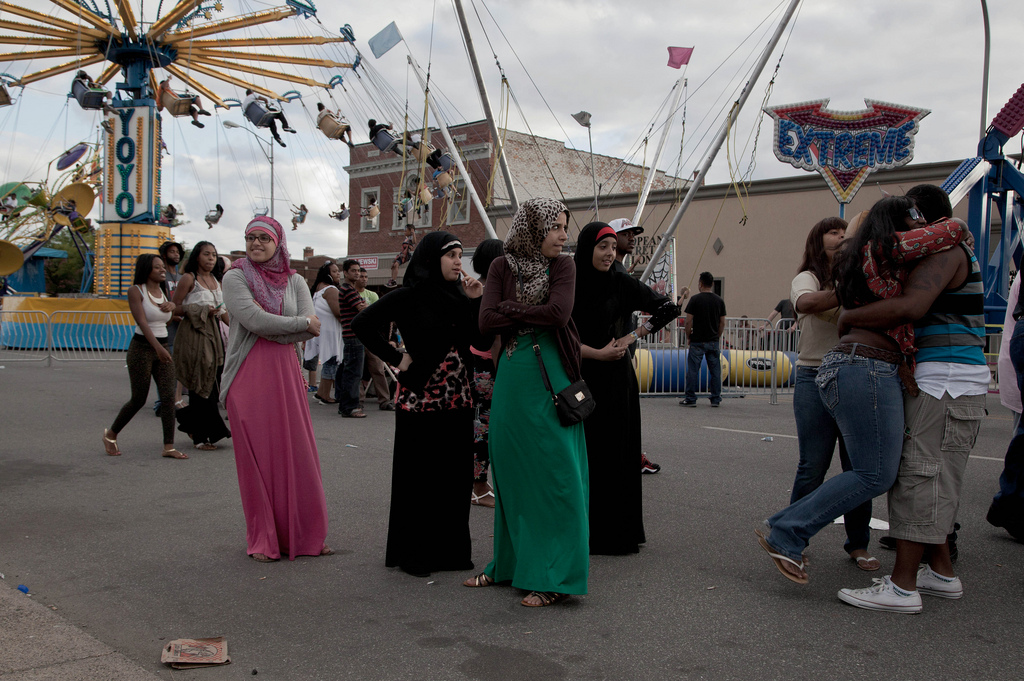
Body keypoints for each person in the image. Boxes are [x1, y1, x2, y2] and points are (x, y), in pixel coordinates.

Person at [757, 195, 967, 585]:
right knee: (869, 473)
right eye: (913, 219)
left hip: (863, 366)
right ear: (897, 225)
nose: (920, 227)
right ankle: (787, 532)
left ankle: (790, 527)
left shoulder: (867, 255)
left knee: (868, 470)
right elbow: (952, 230)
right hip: (863, 366)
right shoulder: (886, 249)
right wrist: (954, 227)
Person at [835, 185, 986, 613]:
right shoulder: (953, 245)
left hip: (945, 380)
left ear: (922, 217)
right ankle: (941, 573)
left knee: (918, 477)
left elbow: (914, 306)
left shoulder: (945, 249)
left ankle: (902, 587)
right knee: (932, 477)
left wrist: (850, 318)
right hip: (952, 380)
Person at [464, 197, 588, 608]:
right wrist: (521, 312)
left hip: (550, 374)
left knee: (555, 474)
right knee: (513, 471)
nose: (563, 234)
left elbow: (557, 314)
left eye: (564, 226)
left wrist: (509, 310)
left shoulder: (564, 266)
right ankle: (510, 565)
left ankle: (555, 576)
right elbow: (485, 323)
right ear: (532, 229)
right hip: (514, 376)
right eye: (554, 226)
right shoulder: (501, 265)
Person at [353, 231, 484, 577]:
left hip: (459, 398)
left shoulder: (460, 296)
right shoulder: (408, 295)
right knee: (420, 479)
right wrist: (397, 357)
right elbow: (362, 324)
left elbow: (479, 340)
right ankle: (415, 554)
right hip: (421, 400)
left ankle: (451, 552)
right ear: (431, 259)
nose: (459, 261)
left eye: (460, 254)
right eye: (451, 255)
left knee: (454, 478)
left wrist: (475, 301)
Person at [221, 216, 332, 562]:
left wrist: (293, 327)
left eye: (264, 238)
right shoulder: (235, 276)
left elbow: (310, 326)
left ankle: (306, 535)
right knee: (258, 460)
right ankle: (263, 538)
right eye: (250, 237)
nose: (256, 243)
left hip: (285, 373)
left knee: (296, 455)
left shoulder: (294, 280)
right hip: (248, 374)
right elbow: (255, 321)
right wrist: (298, 325)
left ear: (278, 242)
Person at [572, 222, 681, 554]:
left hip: (617, 378)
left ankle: (617, 532)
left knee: (617, 451)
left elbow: (668, 307)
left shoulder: (620, 281)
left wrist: (633, 336)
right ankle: (583, 531)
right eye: (601, 247)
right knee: (586, 454)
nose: (609, 254)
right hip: (581, 375)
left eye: (612, 248)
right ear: (587, 248)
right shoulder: (570, 283)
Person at [785, 216, 878, 571]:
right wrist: (847, 292)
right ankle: (792, 539)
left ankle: (858, 543)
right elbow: (807, 303)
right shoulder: (806, 277)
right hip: (813, 373)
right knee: (813, 465)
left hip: (855, 373)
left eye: (844, 232)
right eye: (832, 232)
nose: (840, 236)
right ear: (817, 239)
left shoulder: (864, 270)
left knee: (858, 466)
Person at [606, 217, 679, 474]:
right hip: (603, 359)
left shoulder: (622, 276)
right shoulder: (611, 275)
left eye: (634, 234)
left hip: (619, 356)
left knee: (621, 415)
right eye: (626, 233)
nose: (633, 238)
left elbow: (669, 309)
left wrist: (633, 336)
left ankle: (628, 457)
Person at [102, 254, 186, 459]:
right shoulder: (136, 291)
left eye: (162, 267)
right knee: (138, 398)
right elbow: (142, 322)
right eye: (157, 267)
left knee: (168, 398)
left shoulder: (164, 292)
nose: (162, 270)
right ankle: (111, 434)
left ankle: (169, 446)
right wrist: (157, 347)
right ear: (146, 269)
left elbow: (164, 322)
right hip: (142, 349)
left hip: (162, 346)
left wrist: (172, 307)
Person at [171, 241, 231, 451]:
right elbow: (174, 308)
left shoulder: (215, 280)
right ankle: (199, 437)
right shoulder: (189, 279)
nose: (211, 258)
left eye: (214, 255)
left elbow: (224, 312)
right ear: (197, 256)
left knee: (212, 381)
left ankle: (197, 426)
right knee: (199, 383)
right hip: (195, 335)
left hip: (213, 336)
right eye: (207, 254)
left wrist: (240, 330)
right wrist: (200, 310)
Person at [468, 238, 505, 508]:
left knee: (481, 426)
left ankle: (480, 482)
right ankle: (479, 486)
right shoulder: (488, 292)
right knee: (484, 427)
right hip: (488, 368)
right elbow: (494, 339)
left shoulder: (470, 288)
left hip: (472, 365)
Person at [681, 272, 726, 406]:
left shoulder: (694, 300)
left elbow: (688, 322)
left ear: (700, 283)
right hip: (713, 340)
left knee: (693, 371)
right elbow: (722, 322)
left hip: (697, 340)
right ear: (712, 284)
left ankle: (690, 398)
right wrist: (717, 336)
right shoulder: (719, 301)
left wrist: (689, 336)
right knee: (715, 371)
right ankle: (716, 398)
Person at [334, 259, 369, 418]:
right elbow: (362, 308)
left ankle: (346, 406)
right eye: (353, 271)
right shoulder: (347, 290)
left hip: (352, 336)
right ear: (345, 273)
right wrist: (365, 305)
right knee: (354, 373)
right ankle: (351, 407)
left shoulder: (350, 290)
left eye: (358, 271)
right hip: (353, 336)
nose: (357, 273)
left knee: (351, 372)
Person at [355, 268, 393, 411]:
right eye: (361, 276)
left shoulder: (372, 295)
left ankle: (384, 400)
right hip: (355, 337)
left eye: (366, 276)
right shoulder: (350, 293)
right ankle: (358, 400)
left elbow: (379, 315)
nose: (364, 279)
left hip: (372, 336)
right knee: (357, 370)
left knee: (378, 368)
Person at [307, 261, 344, 406]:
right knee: (331, 361)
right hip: (331, 332)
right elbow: (338, 312)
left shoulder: (317, 290)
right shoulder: (330, 289)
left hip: (321, 330)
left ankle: (321, 392)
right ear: (327, 274)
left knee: (329, 361)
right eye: (335, 271)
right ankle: (325, 395)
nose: (338, 274)